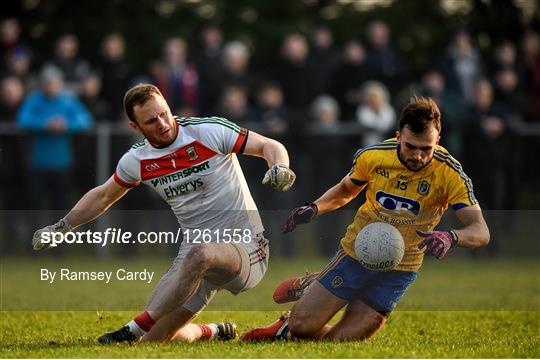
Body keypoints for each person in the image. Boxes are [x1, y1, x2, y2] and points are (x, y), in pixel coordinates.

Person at [31, 83, 296, 344]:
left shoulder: (208, 131)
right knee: (152, 341)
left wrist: (280, 166)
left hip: (246, 248)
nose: (162, 123)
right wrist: (61, 227)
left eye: (164, 113)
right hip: (193, 261)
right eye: (151, 121)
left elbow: (269, 145)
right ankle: (213, 331)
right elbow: (102, 196)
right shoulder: (137, 160)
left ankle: (133, 327)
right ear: (135, 127)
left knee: (201, 254)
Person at [241, 96, 489, 341]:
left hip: (400, 267)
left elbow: (480, 231)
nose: (418, 156)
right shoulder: (374, 156)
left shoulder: (449, 172)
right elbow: (346, 190)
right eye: (411, 146)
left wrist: (451, 236)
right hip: (356, 253)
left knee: (341, 341)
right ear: (399, 137)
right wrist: (315, 208)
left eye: (426, 149)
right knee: (303, 327)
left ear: (438, 141)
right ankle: (309, 292)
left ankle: (299, 310)